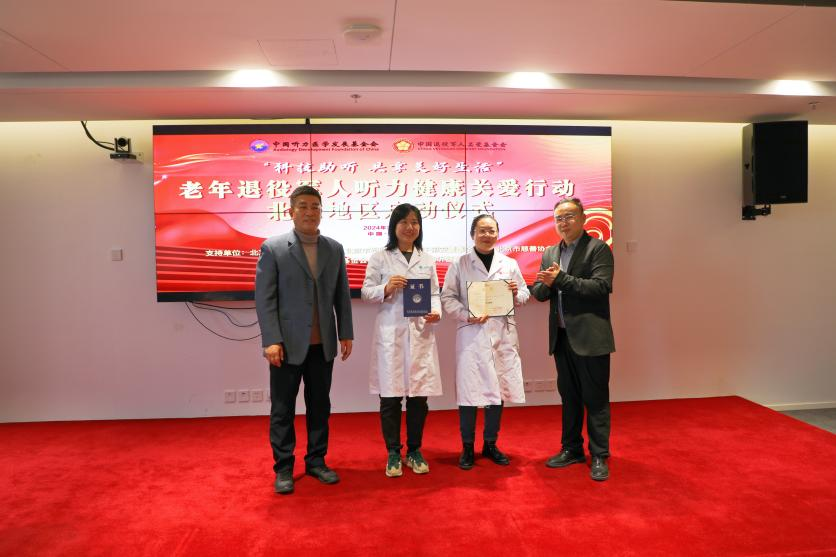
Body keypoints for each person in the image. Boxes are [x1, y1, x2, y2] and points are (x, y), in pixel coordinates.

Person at [255, 185, 354, 495]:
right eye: (303, 206)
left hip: (323, 344)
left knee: (320, 405)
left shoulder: (334, 248)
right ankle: (284, 467)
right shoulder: (273, 248)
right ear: (291, 211)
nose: (310, 212)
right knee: (282, 408)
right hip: (285, 345)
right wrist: (271, 340)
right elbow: (265, 299)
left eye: (315, 206)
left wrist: (346, 332)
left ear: (321, 211)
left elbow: (341, 295)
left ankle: (316, 461)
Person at [530, 197, 615, 481]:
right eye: (559, 218)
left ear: (583, 219)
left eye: (569, 217)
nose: (563, 223)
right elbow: (541, 292)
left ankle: (599, 454)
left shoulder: (598, 248)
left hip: (591, 337)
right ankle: (572, 449)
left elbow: (601, 287)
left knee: (596, 397)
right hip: (562, 336)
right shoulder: (550, 252)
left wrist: (560, 280)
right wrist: (542, 285)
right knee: (570, 397)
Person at [441, 214, 529, 470]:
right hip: (472, 334)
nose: (487, 235)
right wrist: (466, 314)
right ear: (473, 234)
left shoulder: (509, 263)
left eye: (491, 230)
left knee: (497, 391)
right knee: (469, 392)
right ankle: (467, 446)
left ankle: (490, 443)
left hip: (502, 334)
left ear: (498, 234)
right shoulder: (459, 264)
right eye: (482, 230)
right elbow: (447, 298)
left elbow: (525, 293)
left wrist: (516, 293)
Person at [361, 203, 442, 478]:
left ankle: (415, 450)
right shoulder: (380, 257)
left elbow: (434, 293)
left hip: (420, 334)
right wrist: (386, 288)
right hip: (391, 335)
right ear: (394, 226)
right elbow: (366, 292)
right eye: (404, 222)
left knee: (419, 397)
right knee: (390, 397)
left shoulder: (427, 259)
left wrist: (436, 312)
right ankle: (393, 452)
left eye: (415, 222)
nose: (410, 227)